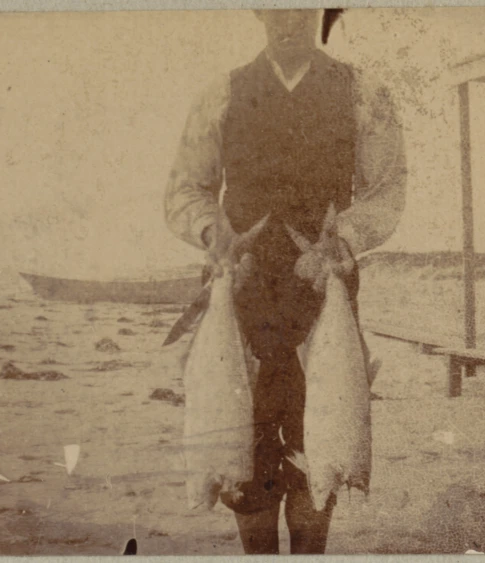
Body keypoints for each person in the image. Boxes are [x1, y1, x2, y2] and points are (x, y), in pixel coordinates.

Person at [164, 9, 407, 554]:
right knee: (239, 452)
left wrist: (342, 239)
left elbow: (387, 188)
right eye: (275, 8)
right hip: (240, 289)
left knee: (322, 446)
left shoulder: (363, 92)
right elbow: (185, 190)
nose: (288, 21)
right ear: (255, 12)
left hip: (324, 289)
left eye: (300, 9)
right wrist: (213, 234)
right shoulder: (220, 94)